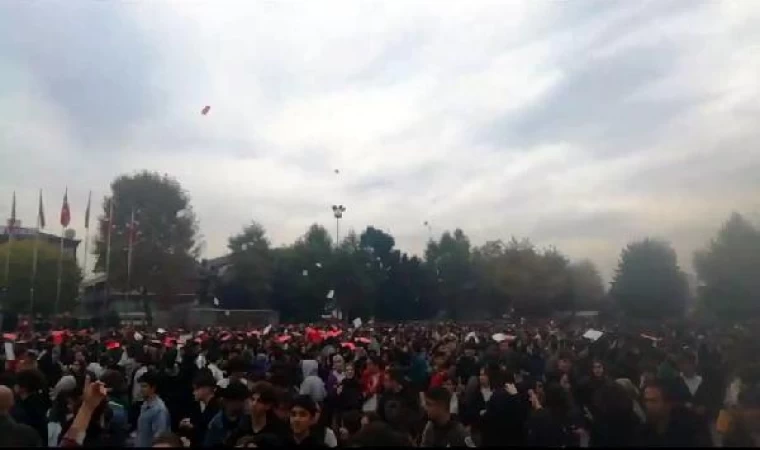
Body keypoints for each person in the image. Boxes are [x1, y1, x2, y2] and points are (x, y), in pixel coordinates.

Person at [639, 379, 712, 447]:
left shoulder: (691, 425)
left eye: (653, 401)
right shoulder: (645, 430)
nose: (648, 405)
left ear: (668, 403)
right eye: (646, 401)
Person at [179, 371, 220, 446]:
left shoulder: (214, 409)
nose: (194, 392)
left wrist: (192, 428)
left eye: (196, 389)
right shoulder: (208, 407)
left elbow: (206, 434)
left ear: (206, 389)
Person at [204, 380, 249, 447]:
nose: (246, 404)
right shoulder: (217, 424)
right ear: (227, 401)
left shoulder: (247, 419)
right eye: (242, 400)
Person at [11, 368, 49, 444]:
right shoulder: (38, 401)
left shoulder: (25, 409)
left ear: (24, 388)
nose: (14, 386)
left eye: (16, 383)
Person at [135, 370, 171, 448]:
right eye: (141, 386)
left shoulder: (159, 410)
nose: (141, 389)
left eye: (144, 386)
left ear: (153, 388)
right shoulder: (145, 404)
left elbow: (159, 438)